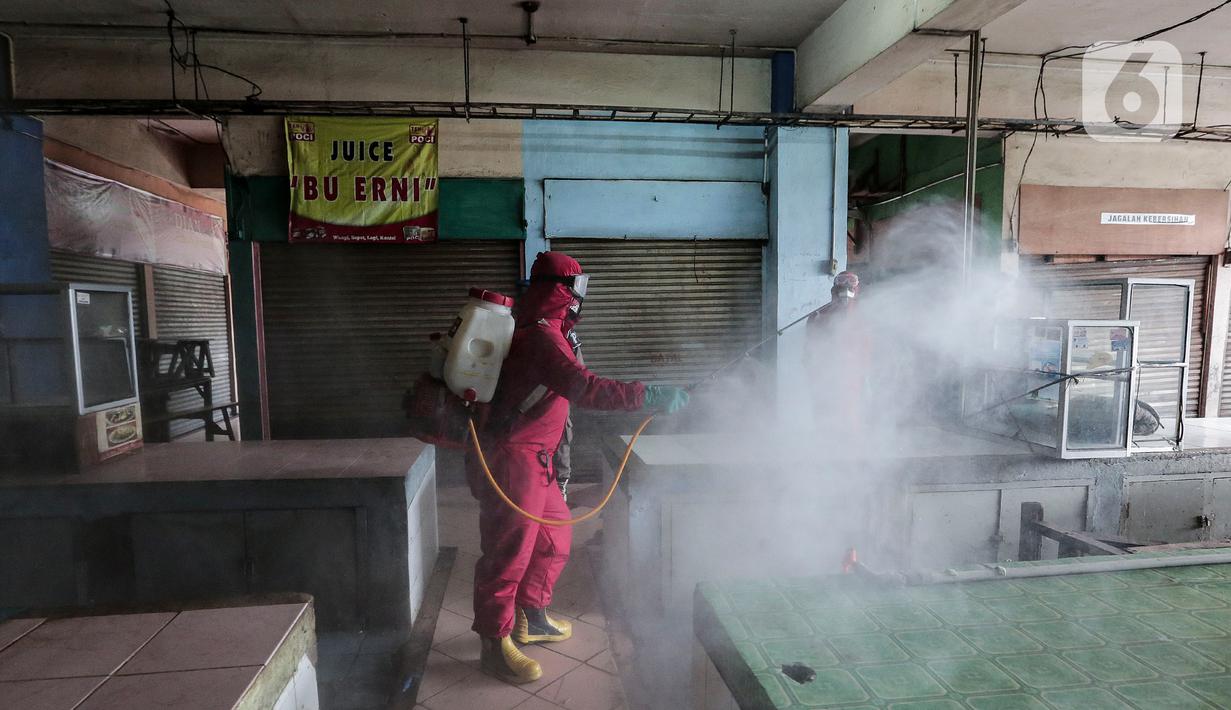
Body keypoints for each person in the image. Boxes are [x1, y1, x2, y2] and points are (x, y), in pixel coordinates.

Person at [468, 251, 690, 684]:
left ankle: (531, 617)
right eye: (577, 288)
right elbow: (583, 387)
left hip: (540, 460)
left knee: (555, 538)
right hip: (514, 458)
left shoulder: (552, 331)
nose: (580, 297)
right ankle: (493, 644)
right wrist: (648, 395)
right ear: (560, 290)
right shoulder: (539, 337)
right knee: (507, 553)